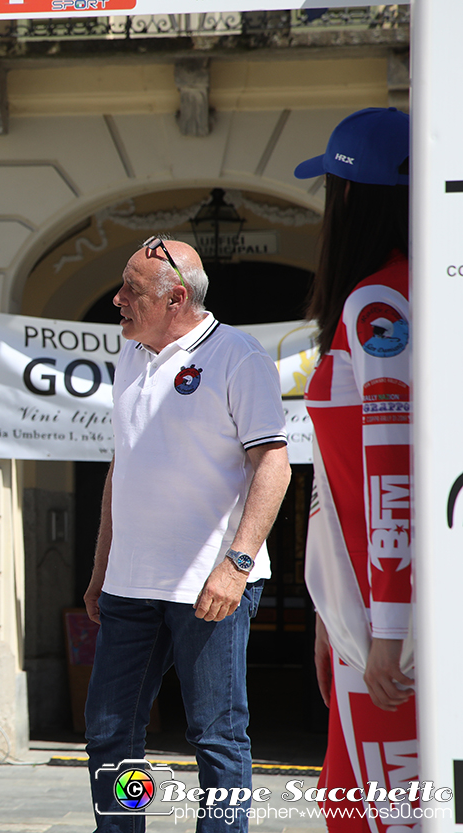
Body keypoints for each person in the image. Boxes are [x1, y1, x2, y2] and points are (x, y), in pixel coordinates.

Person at [83, 237, 291, 833]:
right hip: (130, 586)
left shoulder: (237, 355)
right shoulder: (130, 356)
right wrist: (102, 568)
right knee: (110, 735)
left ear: (176, 297)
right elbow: (122, 470)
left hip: (211, 584)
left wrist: (237, 564)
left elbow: (272, 464)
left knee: (216, 739)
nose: (117, 299)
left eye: (131, 290)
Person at [296, 107, 416, 832]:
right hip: (369, 612)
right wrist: (330, 609)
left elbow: (390, 471)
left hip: (385, 620)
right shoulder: (400, 294)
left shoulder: (378, 303)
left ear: (349, 198)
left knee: (382, 815)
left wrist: (385, 631)